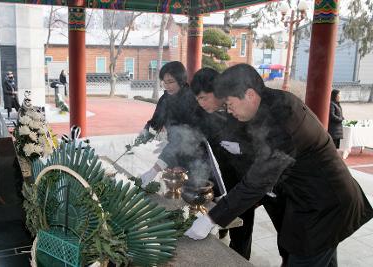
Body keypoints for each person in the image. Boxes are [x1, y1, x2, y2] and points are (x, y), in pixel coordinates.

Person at [184, 64, 373, 267]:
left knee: (303, 256)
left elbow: (258, 180)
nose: (229, 111)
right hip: (310, 200)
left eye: (230, 104)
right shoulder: (267, 103)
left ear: (249, 94)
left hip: (325, 204)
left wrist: (212, 218)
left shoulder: (283, 117)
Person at [190, 67, 287, 262]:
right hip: (235, 184)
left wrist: (242, 148)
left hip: (265, 182)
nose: (200, 104)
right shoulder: (209, 114)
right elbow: (201, 148)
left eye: (204, 98)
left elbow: (268, 149)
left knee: (287, 237)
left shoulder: (248, 110)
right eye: (197, 99)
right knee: (240, 233)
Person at [139, 61, 203, 185]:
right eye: (164, 82)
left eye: (171, 82)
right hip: (172, 149)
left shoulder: (191, 99)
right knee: (171, 184)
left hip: (192, 152)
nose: (167, 86)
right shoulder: (165, 98)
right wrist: (146, 131)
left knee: (187, 188)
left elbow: (185, 136)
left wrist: (154, 169)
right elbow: (156, 120)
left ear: (181, 80)